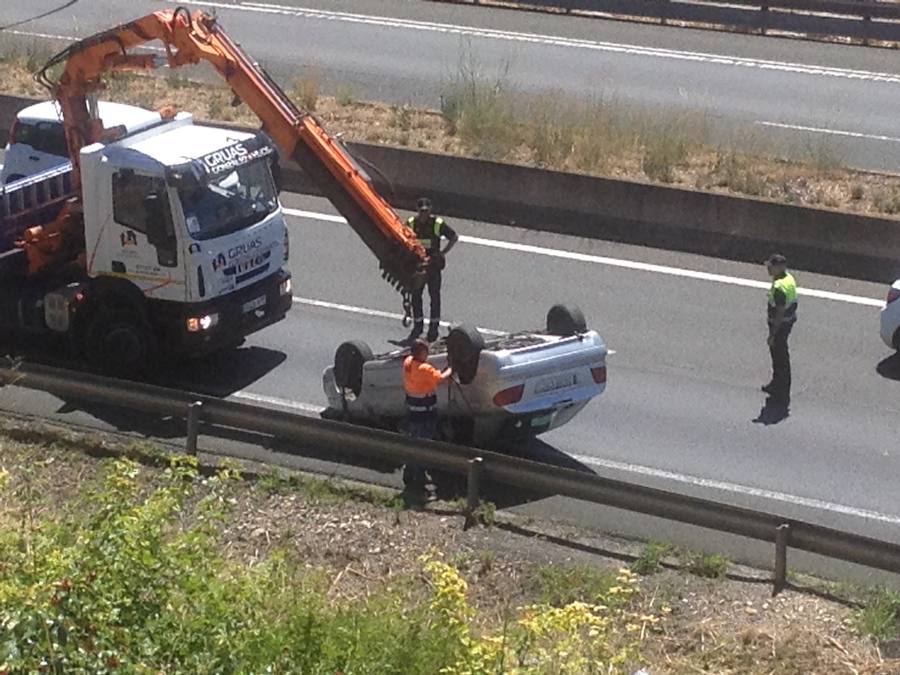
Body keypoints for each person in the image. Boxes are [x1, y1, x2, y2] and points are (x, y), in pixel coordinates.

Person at [402, 338, 453, 501]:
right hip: (425, 414)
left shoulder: (408, 363)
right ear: (421, 353)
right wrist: (452, 368)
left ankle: (409, 475)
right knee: (424, 447)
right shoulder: (424, 369)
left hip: (413, 412)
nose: (428, 354)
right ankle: (418, 483)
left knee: (413, 444)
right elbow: (441, 378)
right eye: (426, 351)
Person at [406, 197, 458, 343]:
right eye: (421, 211)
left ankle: (433, 328)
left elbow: (454, 237)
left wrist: (442, 253)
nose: (424, 214)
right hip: (418, 265)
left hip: (433, 266)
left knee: (434, 296)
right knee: (416, 296)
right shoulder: (411, 223)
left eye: (426, 211)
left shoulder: (437, 223)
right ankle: (418, 325)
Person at [762, 254, 798, 406]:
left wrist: (772, 335)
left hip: (780, 326)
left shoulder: (779, 288)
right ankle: (781, 384)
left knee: (779, 356)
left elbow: (779, 311)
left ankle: (779, 386)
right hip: (788, 322)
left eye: (771, 266)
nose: (768, 268)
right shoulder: (788, 278)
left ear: (779, 268)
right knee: (782, 355)